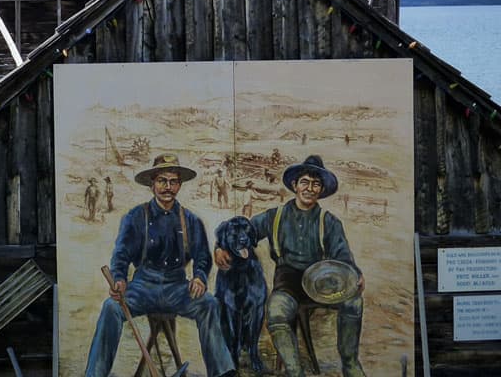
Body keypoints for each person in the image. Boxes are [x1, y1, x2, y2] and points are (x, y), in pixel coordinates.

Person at [214, 155, 365, 377]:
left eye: (316, 184)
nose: (310, 189)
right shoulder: (275, 217)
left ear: (321, 190)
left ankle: (350, 363)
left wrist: (355, 275)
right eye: (305, 182)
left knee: (354, 302)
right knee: (276, 311)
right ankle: (295, 371)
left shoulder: (329, 221)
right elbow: (243, 229)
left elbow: (343, 256)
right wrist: (220, 247)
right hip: (288, 284)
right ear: (295, 185)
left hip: (322, 283)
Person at [85, 153, 235, 377]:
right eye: (162, 181)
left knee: (209, 304)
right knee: (110, 307)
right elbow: (122, 254)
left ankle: (222, 372)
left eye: (173, 181)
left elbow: (202, 255)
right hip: (142, 287)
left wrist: (200, 277)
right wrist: (119, 279)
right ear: (152, 184)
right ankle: (95, 374)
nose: (168, 187)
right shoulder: (136, 216)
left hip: (177, 288)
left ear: (180, 185)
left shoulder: (191, 220)